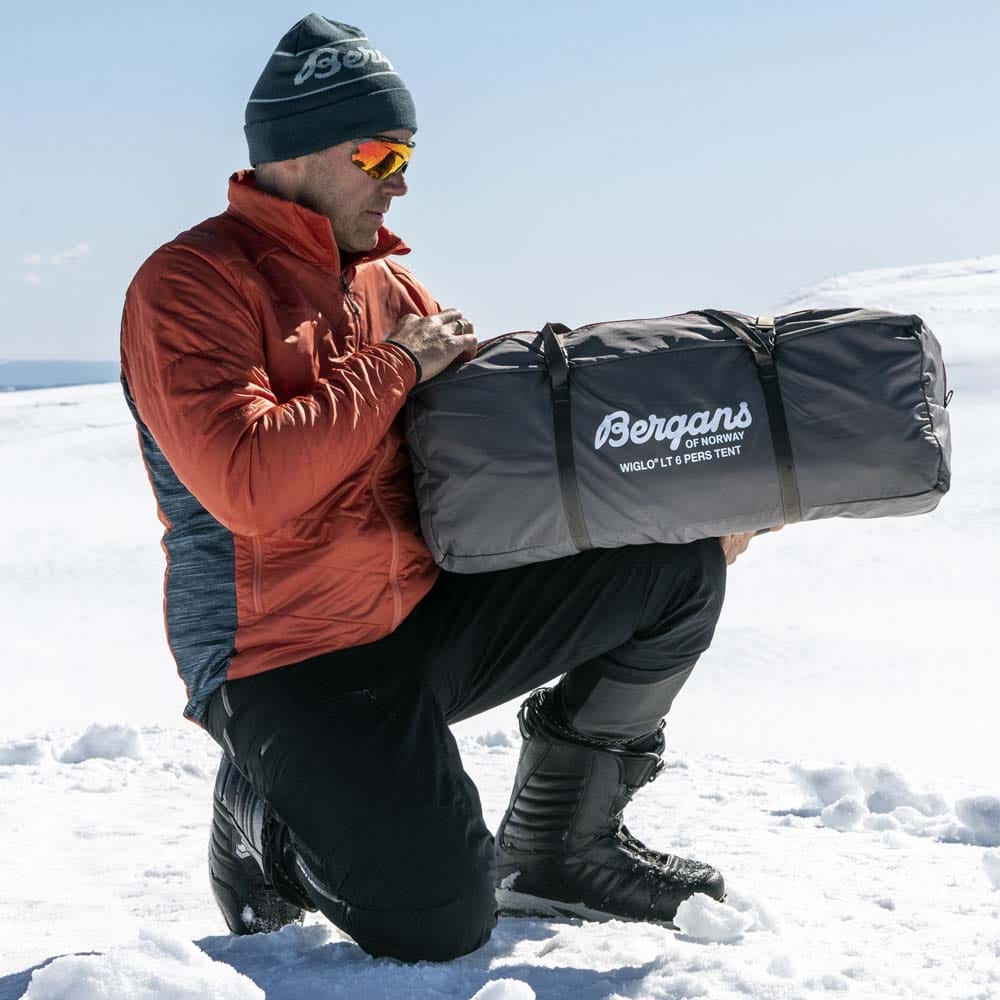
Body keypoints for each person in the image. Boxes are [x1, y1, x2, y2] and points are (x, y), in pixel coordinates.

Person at [120, 14, 760, 963]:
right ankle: (271, 813)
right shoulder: (190, 284)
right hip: (281, 655)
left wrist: (692, 504)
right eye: (380, 155)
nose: (401, 181)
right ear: (295, 149)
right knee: (438, 922)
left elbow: (497, 455)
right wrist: (395, 366)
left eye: (407, 156)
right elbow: (247, 482)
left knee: (678, 568)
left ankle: (560, 847)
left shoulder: (390, 289)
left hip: (418, 612)